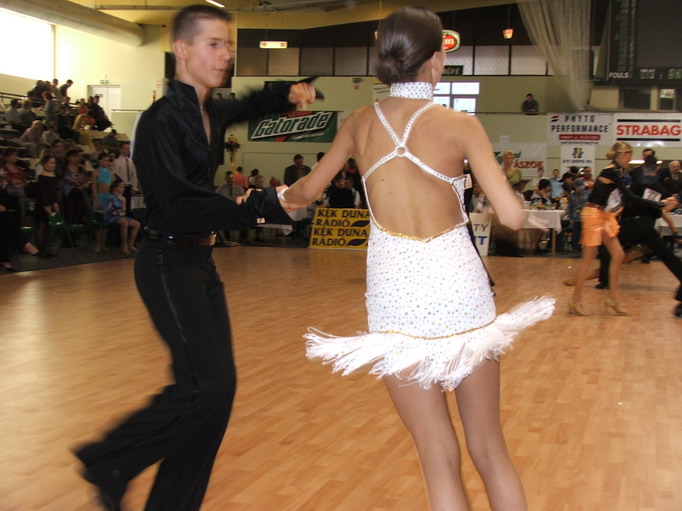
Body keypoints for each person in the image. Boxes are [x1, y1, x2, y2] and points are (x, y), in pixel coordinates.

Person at [282, 7, 553, 510]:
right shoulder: (458, 124)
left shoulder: (358, 122)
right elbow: (513, 217)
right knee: (489, 448)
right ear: (436, 60)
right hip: (459, 290)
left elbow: (305, 192)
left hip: (396, 296)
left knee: (435, 453)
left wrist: (274, 198)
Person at [71, 5, 315, 511]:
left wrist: (287, 93)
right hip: (166, 262)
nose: (225, 55)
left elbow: (249, 104)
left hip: (199, 262)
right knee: (207, 386)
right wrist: (260, 206)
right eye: (213, 44)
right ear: (181, 49)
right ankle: (109, 459)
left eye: (228, 46)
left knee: (215, 393)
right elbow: (181, 205)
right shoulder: (160, 121)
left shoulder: (211, 111)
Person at [569, 142, 668, 317]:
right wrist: (658, 204)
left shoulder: (617, 171)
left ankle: (613, 299)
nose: (630, 159)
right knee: (589, 258)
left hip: (603, 215)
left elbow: (623, 197)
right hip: (592, 215)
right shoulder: (611, 171)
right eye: (629, 155)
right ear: (621, 154)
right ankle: (575, 300)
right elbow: (630, 197)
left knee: (618, 254)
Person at [103, 180, 141, 254]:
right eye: (121, 187)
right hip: (110, 216)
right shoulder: (110, 196)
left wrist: (121, 213)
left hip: (119, 215)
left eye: (123, 187)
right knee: (124, 222)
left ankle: (131, 244)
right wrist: (115, 212)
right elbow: (108, 210)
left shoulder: (123, 198)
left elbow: (124, 210)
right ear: (115, 188)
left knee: (137, 224)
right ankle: (124, 244)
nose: (123, 189)